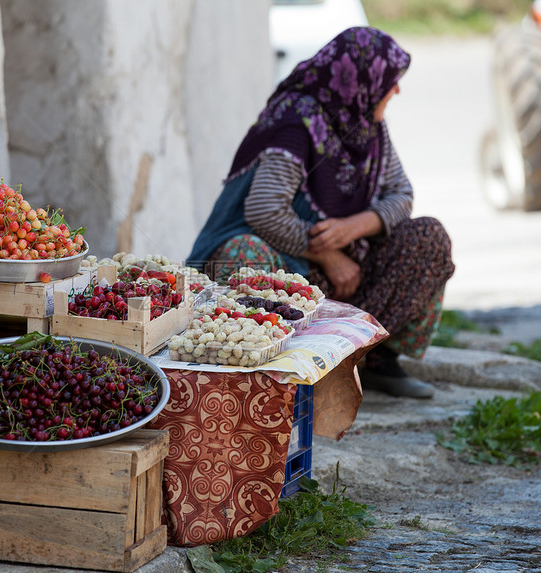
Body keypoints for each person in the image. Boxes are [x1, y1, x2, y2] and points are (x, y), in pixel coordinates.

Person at [186, 26, 455, 399]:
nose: (396, 91)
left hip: (340, 271)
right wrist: (328, 255)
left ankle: (372, 360)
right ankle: (277, 370)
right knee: (243, 254)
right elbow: (265, 210)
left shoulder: (365, 122)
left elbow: (401, 193)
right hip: (288, 269)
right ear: (359, 82)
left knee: (428, 236)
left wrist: (355, 226)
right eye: (391, 82)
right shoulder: (295, 123)